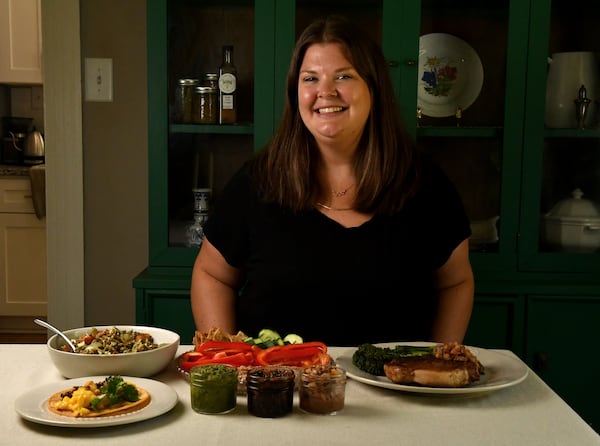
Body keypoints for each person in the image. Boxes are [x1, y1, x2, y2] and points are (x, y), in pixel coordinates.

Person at [191, 16, 474, 346]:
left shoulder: (424, 184)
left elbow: (456, 282)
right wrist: (226, 358)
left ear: (374, 88)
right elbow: (211, 275)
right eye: (310, 78)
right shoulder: (258, 181)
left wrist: (438, 365)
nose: (325, 92)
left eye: (343, 76)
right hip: (278, 388)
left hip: (394, 390)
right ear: (295, 92)